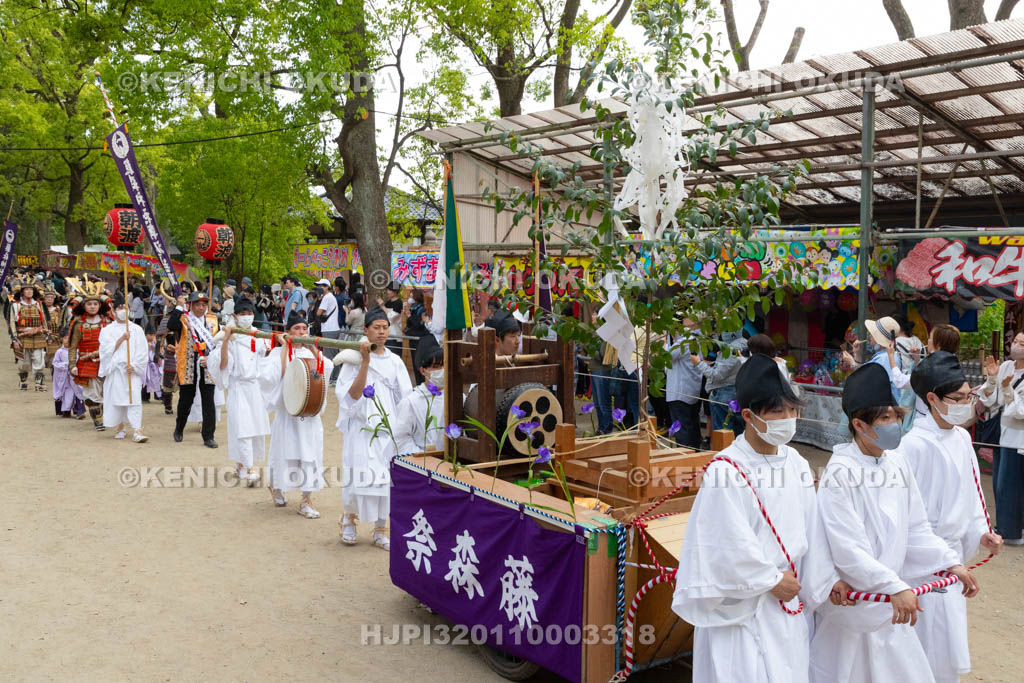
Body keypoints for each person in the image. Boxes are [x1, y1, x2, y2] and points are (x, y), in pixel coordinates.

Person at [672, 354, 846, 683]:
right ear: (749, 415)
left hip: (787, 603)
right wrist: (769, 580)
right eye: (777, 411)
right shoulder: (727, 471)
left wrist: (827, 578)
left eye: (792, 410)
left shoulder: (794, 462)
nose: (788, 418)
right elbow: (723, 544)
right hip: (743, 610)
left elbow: (813, 530)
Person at [809, 362, 978, 683]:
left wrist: (949, 563)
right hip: (854, 608)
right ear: (859, 424)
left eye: (896, 417)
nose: (895, 424)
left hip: (890, 604)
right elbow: (849, 550)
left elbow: (916, 529)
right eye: (885, 418)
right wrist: (894, 586)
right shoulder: (841, 472)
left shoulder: (896, 463)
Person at [901, 351, 1002, 683]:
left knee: (945, 648)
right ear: (932, 398)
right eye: (957, 398)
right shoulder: (912, 446)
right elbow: (908, 518)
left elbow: (973, 495)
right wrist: (941, 557)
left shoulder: (961, 437)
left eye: (967, 396)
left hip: (953, 557)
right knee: (920, 646)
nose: (965, 403)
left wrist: (981, 531)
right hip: (922, 565)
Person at [335, 307, 413, 549]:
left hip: (387, 428)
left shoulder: (395, 361)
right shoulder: (353, 360)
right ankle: (349, 520)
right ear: (365, 330)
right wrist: (365, 363)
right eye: (376, 327)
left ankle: (381, 528)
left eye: (385, 327)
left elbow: (405, 398)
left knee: (385, 479)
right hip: (361, 427)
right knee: (357, 474)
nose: (381, 332)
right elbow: (350, 397)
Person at [258, 312, 327, 518]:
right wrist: (285, 347)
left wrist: (312, 348)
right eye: (297, 329)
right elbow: (274, 376)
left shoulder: (312, 353)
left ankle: (306, 501)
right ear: (288, 332)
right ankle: (277, 487)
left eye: (304, 329)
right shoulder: (277, 352)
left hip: (310, 416)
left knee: (311, 455)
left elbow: (325, 370)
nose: (301, 332)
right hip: (288, 415)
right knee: (283, 453)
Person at [209, 300, 271, 486]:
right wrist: (226, 340)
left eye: (249, 312)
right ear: (235, 316)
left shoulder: (257, 335)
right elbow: (223, 365)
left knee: (254, 427)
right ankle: (249, 467)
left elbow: (264, 355)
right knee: (242, 427)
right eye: (242, 313)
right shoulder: (231, 335)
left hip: (254, 387)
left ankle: (241, 464)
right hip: (238, 387)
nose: (246, 316)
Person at [979, 332, 1024, 545]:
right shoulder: (1006, 366)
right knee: (1000, 482)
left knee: (1010, 484)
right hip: (1003, 433)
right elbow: (992, 400)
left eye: (1021, 344)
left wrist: (1006, 389)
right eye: (1015, 341)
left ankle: (1011, 531)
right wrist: (992, 378)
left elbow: (1019, 411)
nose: (1016, 346)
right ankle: (1007, 526)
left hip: (1019, 436)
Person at [168, 291, 220, 448]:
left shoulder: (213, 320)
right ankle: (179, 428)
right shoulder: (184, 318)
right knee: (186, 398)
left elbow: (218, 341)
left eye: (204, 304)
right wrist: (178, 307)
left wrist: (212, 358)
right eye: (197, 304)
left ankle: (208, 436)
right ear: (190, 305)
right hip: (189, 362)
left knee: (208, 400)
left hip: (207, 363)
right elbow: (171, 326)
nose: (201, 307)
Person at [98, 295, 150, 443]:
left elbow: (143, 350)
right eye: (120, 308)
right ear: (113, 311)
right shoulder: (107, 330)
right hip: (116, 371)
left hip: (131, 371)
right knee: (117, 399)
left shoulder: (137, 329)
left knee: (134, 399)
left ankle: (137, 430)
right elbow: (105, 351)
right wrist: (121, 339)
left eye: (125, 307)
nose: (123, 310)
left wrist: (135, 366)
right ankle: (120, 427)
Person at [393, 335, 444, 454]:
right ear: (423, 371)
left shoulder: (456, 397)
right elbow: (400, 438)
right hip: (423, 460)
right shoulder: (412, 401)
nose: (442, 370)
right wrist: (422, 456)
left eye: (444, 366)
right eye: (436, 367)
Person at [68, 293, 110, 430]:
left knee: (107, 392)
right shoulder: (78, 323)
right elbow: (73, 346)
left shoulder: (107, 322)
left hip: (106, 362)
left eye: (95, 304)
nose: (92, 307)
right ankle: (98, 421)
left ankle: (105, 416)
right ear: (84, 306)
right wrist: (72, 365)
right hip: (87, 362)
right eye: (89, 304)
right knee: (92, 394)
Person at [691, 332, 746, 436]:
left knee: (723, 434)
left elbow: (717, 375)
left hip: (724, 392)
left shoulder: (731, 348)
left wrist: (698, 363)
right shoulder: (745, 343)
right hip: (736, 391)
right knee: (738, 433)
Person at [666, 325, 702, 448]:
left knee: (682, 429)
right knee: (692, 426)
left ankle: (685, 459)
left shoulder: (683, 342)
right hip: (691, 390)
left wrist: (663, 342)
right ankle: (695, 457)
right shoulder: (697, 339)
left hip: (679, 392)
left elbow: (666, 356)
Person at [11, 279, 51, 392]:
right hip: (22, 336)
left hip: (38, 335)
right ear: (22, 292)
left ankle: (40, 384)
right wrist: (14, 338)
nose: (29, 291)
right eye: (26, 289)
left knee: (39, 358)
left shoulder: (38, 304)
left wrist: (47, 334)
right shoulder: (16, 305)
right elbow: (12, 322)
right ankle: (23, 381)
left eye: (31, 289)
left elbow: (44, 320)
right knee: (24, 361)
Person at [52, 329, 85, 419]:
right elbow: (55, 364)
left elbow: (80, 361)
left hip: (74, 376)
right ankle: (66, 411)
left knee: (77, 392)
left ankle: (80, 411)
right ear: (61, 339)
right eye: (65, 338)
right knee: (66, 394)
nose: (67, 340)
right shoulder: (59, 352)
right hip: (64, 378)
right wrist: (66, 365)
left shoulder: (76, 351)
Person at [141, 330, 162, 403]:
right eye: (151, 335)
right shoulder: (142, 342)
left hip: (153, 363)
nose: (152, 336)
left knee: (156, 380)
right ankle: (145, 397)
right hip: (145, 364)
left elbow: (158, 352)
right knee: (145, 381)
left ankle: (159, 396)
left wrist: (154, 345)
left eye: (153, 335)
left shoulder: (155, 342)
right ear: (146, 335)